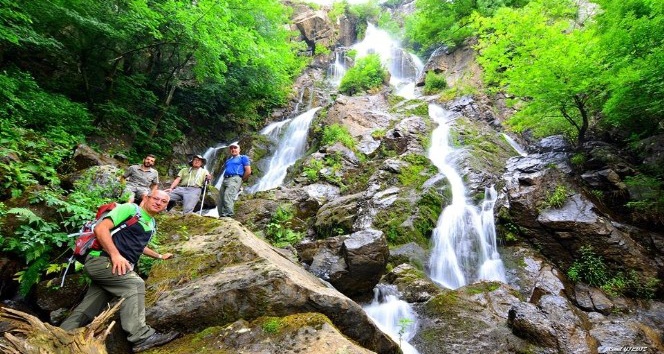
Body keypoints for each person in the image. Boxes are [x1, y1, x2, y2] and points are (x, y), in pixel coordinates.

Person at [60, 190, 179, 353]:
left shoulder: (151, 223)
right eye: (155, 198)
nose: (159, 202)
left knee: (88, 308)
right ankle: (141, 336)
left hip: (113, 267)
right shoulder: (130, 209)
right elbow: (101, 228)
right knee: (135, 284)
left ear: (166, 205)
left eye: (163, 201)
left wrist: (159, 256)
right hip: (102, 260)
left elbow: (138, 246)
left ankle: (58, 336)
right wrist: (115, 255)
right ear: (146, 198)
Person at [217, 143, 251, 217]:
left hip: (235, 178)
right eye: (231, 148)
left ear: (239, 150)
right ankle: (222, 216)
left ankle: (229, 215)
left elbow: (248, 171)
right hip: (225, 179)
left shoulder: (243, 158)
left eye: (235, 148)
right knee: (220, 199)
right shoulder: (228, 161)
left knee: (228, 196)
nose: (233, 149)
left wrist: (240, 180)